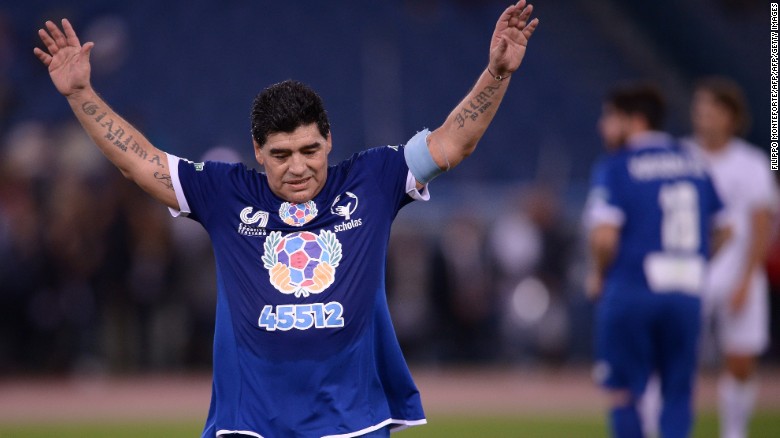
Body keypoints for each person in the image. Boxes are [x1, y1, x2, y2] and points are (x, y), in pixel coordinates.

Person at [33, 3, 539, 437]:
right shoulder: (225, 192)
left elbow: (453, 142)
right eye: (280, 154)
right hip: (251, 422)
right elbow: (138, 161)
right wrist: (81, 94)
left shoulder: (375, 178)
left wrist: (497, 73)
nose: (297, 166)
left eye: (309, 150)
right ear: (257, 151)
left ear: (330, 141)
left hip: (352, 421)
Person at [583, 83, 726, 438]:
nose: (603, 127)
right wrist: (698, 261)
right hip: (686, 291)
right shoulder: (694, 162)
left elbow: (604, 237)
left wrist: (598, 274)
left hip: (633, 287)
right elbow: (725, 229)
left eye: (610, 117)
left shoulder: (617, 166)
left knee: (624, 391)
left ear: (635, 120)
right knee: (678, 391)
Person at [682, 77, 778, 438]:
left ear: (730, 116)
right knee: (678, 359)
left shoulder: (751, 165)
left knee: (740, 361)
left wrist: (746, 279)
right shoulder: (682, 155)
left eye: (710, 109)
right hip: (690, 271)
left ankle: (734, 431)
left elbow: (760, 228)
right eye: (698, 108)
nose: (702, 116)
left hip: (738, 270)